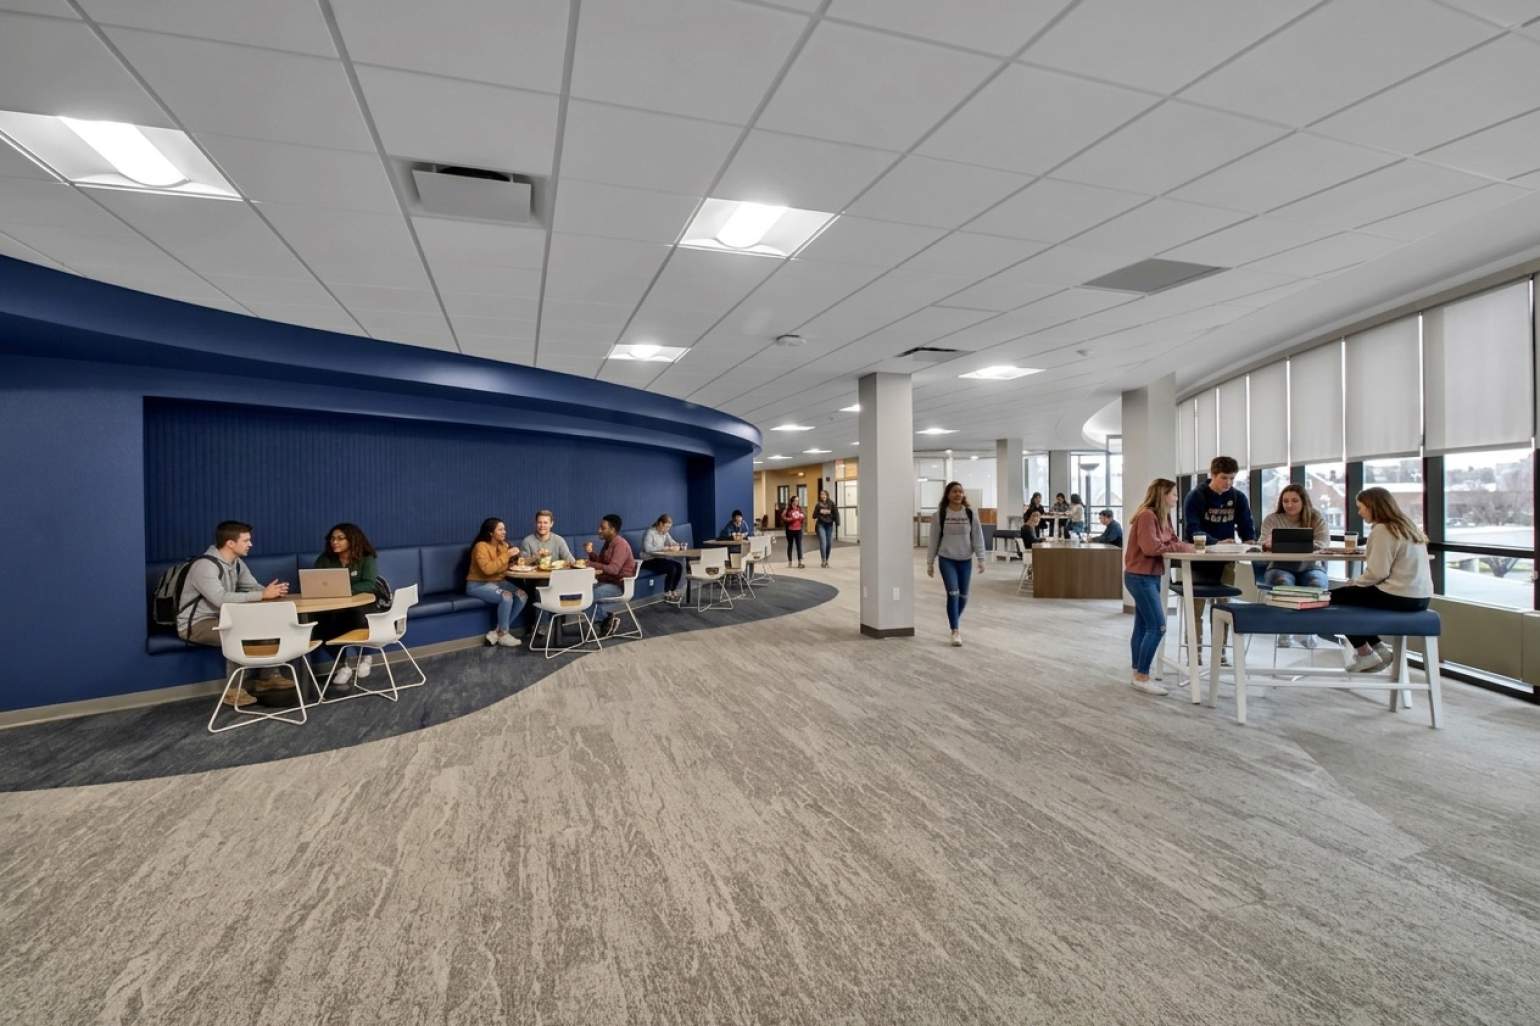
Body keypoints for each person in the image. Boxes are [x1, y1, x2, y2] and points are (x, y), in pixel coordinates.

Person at [177, 520, 291, 708]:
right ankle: (233, 691)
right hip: (196, 624)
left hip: (224, 618)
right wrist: (262, 595)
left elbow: (252, 587)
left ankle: (268, 677)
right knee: (237, 633)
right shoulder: (204, 566)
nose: (250, 544)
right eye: (246, 541)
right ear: (230, 543)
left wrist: (273, 591)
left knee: (266, 624)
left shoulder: (237, 563)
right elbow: (220, 599)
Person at [1329, 488, 1432, 673]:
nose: (1359, 512)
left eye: (1361, 507)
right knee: (1350, 597)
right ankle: (1379, 649)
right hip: (1421, 598)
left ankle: (1365, 653)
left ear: (1373, 507)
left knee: (1332, 598)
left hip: (1399, 596)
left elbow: (1377, 573)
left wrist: (1355, 583)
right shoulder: (1407, 526)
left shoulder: (1383, 530)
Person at [1124, 479, 1195, 697]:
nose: (1177, 498)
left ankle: (1138, 672)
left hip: (1151, 576)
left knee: (1143, 626)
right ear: (1163, 495)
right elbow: (1151, 548)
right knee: (1157, 627)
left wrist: (1181, 546)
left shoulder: (1164, 517)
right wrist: (1184, 547)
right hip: (1140, 577)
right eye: (1174, 494)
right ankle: (1142, 677)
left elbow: (1172, 540)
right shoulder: (1147, 516)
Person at [1182, 455, 1255, 655]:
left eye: (1232, 478)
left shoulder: (1238, 497)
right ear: (1213, 475)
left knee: (1223, 607)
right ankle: (1194, 653)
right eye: (1224, 477)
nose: (1228, 483)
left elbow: (1246, 525)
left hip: (1225, 560)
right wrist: (1216, 543)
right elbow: (1192, 529)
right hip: (1198, 560)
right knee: (1196, 608)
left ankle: (1220, 652)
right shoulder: (1196, 496)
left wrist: (1249, 542)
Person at [1260, 484, 1330, 649]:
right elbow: (1262, 544)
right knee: (1283, 583)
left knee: (1317, 585)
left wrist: (1283, 544)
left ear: (1304, 501)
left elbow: (1323, 543)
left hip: (1311, 566)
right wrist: (1268, 544)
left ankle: (1307, 629)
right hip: (1280, 566)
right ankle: (1286, 629)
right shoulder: (1272, 519)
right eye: (1285, 501)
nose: (1289, 505)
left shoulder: (1316, 517)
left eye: (1294, 501)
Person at [312, 522, 379, 688]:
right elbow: (315, 582)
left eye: (340, 538)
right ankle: (343, 665)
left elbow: (369, 583)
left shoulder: (365, 557)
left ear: (352, 540)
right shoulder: (325, 559)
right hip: (334, 606)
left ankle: (366, 656)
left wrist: (346, 591)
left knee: (357, 614)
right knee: (319, 624)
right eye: (332, 539)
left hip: (362, 605)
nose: (335, 542)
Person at [925, 481, 986, 647]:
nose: (958, 494)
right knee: (953, 593)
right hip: (947, 559)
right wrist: (930, 562)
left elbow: (978, 537)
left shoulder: (970, 514)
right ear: (948, 494)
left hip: (965, 560)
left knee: (963, 597)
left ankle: (953, 619)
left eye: (960, 491)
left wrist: (981, 558)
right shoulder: (939, 515)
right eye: (954, 491)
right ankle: (955, 631)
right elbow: (933, 540)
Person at [467, 517, 525, 648]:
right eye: (500, 529)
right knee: (507, 596)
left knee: (522, 596)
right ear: (491, 532)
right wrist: (507, 555)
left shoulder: (503, 545)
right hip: (477, 584)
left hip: (498, 582)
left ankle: (497, 632)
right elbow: (488, 569)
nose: (504, 532)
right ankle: (504, 634)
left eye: (504, 529)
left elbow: (507, 565)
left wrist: (531, 558)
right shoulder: (480, 546)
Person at [585, 514, 637, 638]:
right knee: (583, 591)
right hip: (608, 582)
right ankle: (606, 620)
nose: (599, 530)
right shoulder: (608, 543)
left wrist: (590, 564)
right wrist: (591, 553)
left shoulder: (620, 544)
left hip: (620, 586)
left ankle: (604, 620)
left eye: (603, 528)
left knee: (587, 595)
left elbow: (613, 569)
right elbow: (602, 563)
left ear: (612, 530)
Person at [642, 513, 686, 601]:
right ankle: (666, 592)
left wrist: (679, 545)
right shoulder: (650, 532)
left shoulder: (664, 533)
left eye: (669, 527)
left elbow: (672, 542)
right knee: (671, 568)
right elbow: (648, 549)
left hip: (659, 559)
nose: (667, 529)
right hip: (648, 561)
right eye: (666, 527)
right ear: (660, 524)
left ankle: (673, 590)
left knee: (679, 566)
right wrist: (665, 548)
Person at [811, 490, 840, 568]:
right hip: (821, 525)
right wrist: (820, 513)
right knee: (823, 542)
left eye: (824, 494)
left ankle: (827, 560)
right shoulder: (818, 504)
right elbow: (814, 515)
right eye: (821, 494)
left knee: (829, 543)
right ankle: (823, 560)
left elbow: (836, 513)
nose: (823, 496)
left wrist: (837, 522)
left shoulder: (832, 503)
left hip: (829, 525)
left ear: (827, 495)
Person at [783, 495, 806, 568]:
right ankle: (790, 562)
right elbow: (783, 516)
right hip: (790, 530)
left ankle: (800, 563)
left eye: (798, 500)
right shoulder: (788, 509)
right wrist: (791, 519)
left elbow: (803, 516)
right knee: (790, 545)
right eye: (796, 500)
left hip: (798, 530)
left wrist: (802, 517)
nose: (797, 502)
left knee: (799, 546)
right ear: (792, 501)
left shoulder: (799, 509)